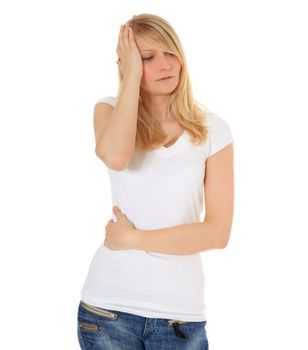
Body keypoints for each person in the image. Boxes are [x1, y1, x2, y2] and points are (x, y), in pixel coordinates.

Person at [77, 13, 234, 350]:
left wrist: (133, 238)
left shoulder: (213, 130)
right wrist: (131, 74)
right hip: (108, 312)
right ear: (128, 64)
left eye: (170, 52)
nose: (165, 65)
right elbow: (116, 157)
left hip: (180, 317)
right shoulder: (109, 110)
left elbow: (217, 233)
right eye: (148, 57)